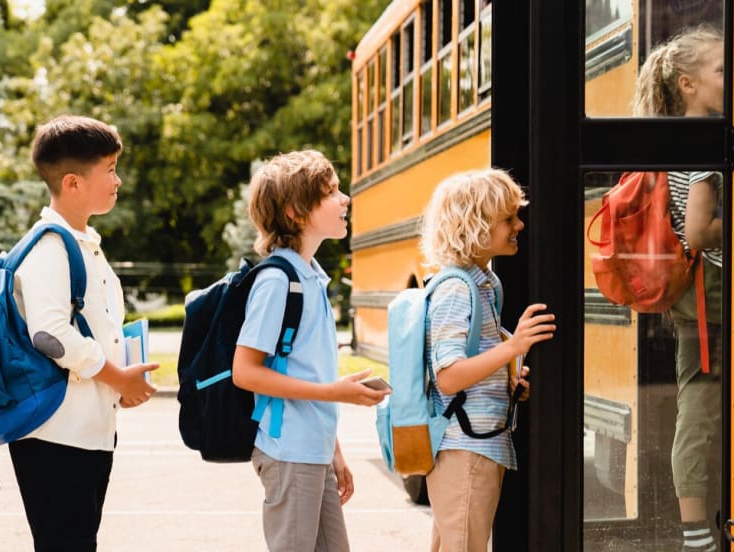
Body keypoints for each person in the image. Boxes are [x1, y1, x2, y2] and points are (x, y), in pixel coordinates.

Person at [9, 115, 157, 551]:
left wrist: (121, 385)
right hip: (55, 437)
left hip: (86, 433)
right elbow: (50, 334)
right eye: (110, 169)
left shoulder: (82, 243)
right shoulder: (50, 247)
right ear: (72, 182)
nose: (118, 180)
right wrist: (117, 378)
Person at [232, 149, 390, 551]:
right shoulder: (277, 281)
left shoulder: (311, 277)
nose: (345, 199)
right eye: (331, 192)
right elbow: (245, 372)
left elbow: (306, 371)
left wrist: (333, 451)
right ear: (296, 214)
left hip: (313, 451)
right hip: (289, 453)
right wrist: (334, 393)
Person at [419, 168, 555, 552]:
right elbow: (448, 377)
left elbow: (474, 365)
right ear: (474, 226)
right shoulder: (456, 291)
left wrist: (509, 381)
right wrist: (513, 348)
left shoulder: (483, 284)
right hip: (464, 449)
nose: (520, 225)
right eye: (508, 218)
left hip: (478, 446)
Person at [632, 25, 724, 552]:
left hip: (693, 296)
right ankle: (696, 534)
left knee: (699, 404)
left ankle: (696, 528)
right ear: (688, 85)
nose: (727, 79)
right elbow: (697, 231)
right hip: (710, 292)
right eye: (719, 71)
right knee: (700, 408)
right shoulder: (703, 143)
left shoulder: (680, 136)